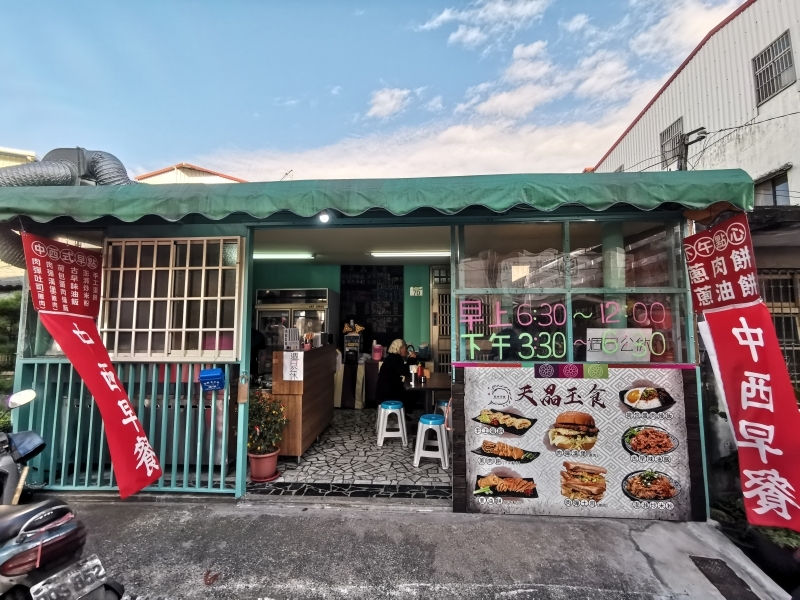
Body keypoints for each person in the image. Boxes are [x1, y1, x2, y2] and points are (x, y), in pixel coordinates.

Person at [375, 339, 418, 417]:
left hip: (386, 390)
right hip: (388, 393)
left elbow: (403, 369)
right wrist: (412, 359)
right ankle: (403, 413)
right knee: (413, 392)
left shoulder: (392, 357)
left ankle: (403, 413)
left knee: (408, 390)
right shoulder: (395, 359)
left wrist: (410, 359)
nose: (406, 350)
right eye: (405, 348)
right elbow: (405, 371)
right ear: (400, 349)